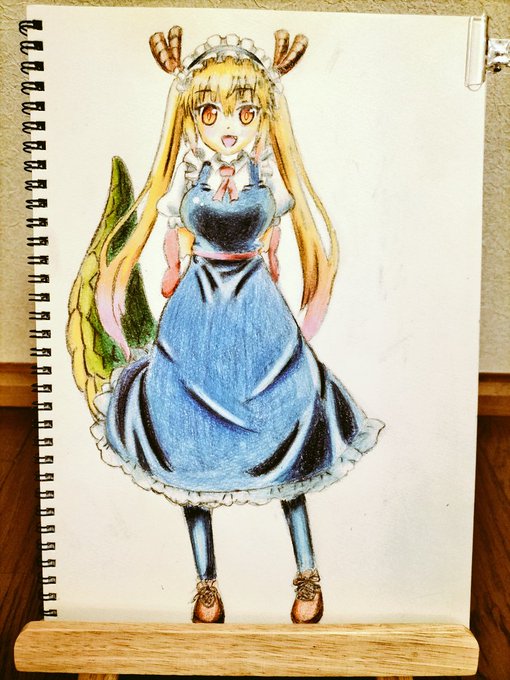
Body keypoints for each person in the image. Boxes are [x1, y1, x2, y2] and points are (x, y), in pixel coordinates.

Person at [83, 28, 384, 624]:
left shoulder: (266, 174)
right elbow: (174, 238)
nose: (228, 128)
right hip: (196, 314)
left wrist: (271, 260)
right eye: (210, 113)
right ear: (192, 117)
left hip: (257, 314)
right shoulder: (187, 176)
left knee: (288, 433)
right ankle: (206, 583)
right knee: (185, 442)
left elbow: (276, 239)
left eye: (246, 114)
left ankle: (307, 574)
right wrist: (172, 267)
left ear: (264, 117)